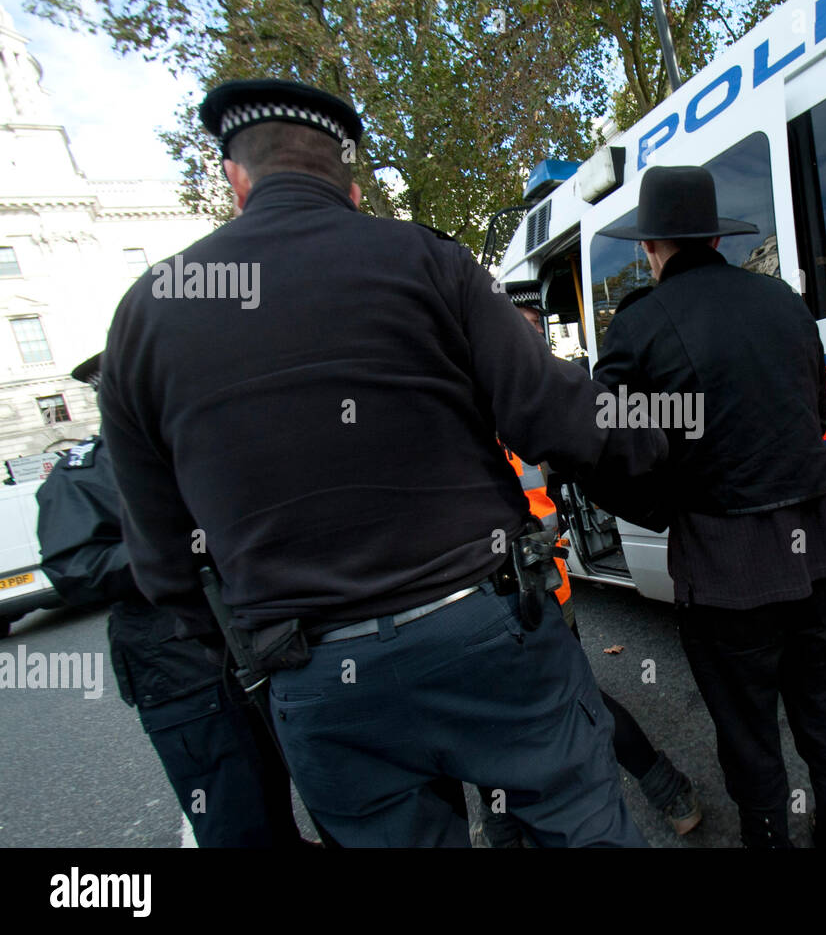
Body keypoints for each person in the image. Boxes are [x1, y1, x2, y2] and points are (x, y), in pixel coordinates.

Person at [97, 79, 666, 847]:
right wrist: (663, 443)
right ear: (351, 183)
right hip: (482, 631)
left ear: (235, 179)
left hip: (315, 673)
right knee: (576, 826)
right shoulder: (421, 258)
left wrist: (262, 646)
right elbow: (556, 414)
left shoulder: (146, 312)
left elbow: (162, 561)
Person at [593, 166, 826, 848]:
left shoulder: (640, 328)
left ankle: (770, 838)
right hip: (814, 551)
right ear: (715, 234)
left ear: (650, 247)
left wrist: (659, 503)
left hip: (724, 570)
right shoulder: (781, 300)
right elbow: (816, 412)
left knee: (748, 731)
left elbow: (601, 445)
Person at [36, 353, 306, 847]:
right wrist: (178, 547)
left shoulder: (209, 446)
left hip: (273, 645)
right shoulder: (85, 473)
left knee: (324, 788)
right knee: (236, 817)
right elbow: (77, 570)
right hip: (182, 672)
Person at [470, 295, 700, 846]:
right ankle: (666, 790)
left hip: (512, 591)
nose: (531, 341)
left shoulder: (466, 394)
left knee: (514, 713)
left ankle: (659, 788)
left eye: (534, 330)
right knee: (553, 702)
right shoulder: (523, 391)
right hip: (523, 586)